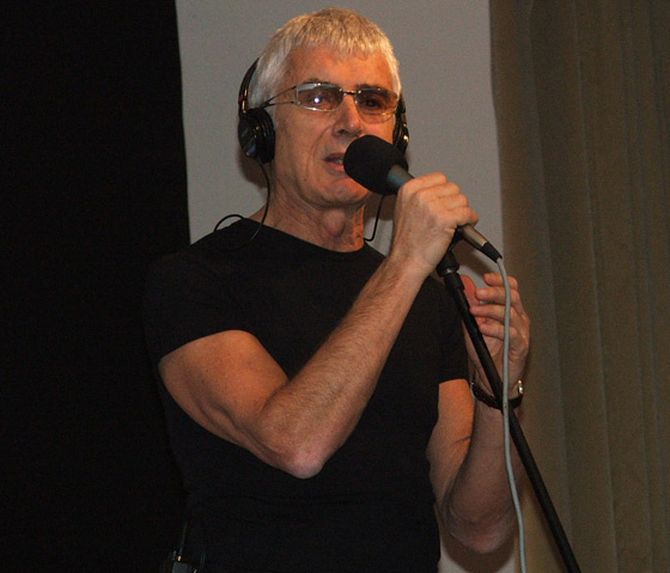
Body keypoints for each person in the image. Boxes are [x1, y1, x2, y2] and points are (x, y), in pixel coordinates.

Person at [144, 7, 530, 572]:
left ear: (397, 132)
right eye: (319, 97)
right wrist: (405, 264)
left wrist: (498, 391)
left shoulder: (427, 300)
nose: (351, 122)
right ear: (262, 130)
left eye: (372, 101)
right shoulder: (195, 280)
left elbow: (482, 531)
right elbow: (296, 445)